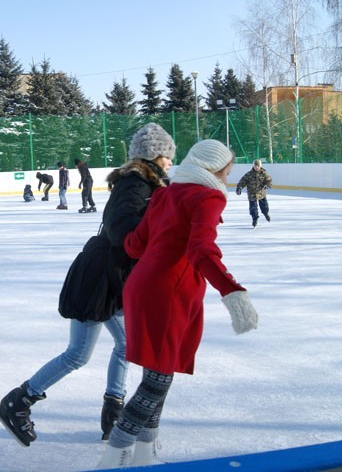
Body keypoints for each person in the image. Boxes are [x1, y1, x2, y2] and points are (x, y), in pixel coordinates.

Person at [0, 123, 176, 448]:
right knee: (78, 354)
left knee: (125, 345)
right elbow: (123, 232)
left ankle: (113, 410)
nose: (170, 162)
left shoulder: (148, 184)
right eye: (168, 156)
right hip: (98, 278)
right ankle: (18, 402)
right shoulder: (136, 183)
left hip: (111, 276)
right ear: (157, 155)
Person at [97, 139, 259, 468]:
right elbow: (201, 250)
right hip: (167, 294)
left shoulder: (166, 193)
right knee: (157, 382)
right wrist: (233, 293)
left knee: (158, 375)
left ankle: (145, 454)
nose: (227, 177)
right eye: (226, 171)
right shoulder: (208, 196)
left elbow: (134, 245)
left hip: (141, 287)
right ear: (212, 168)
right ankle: (114, 458)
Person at [236, 159, 273, 228]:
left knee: (264, 206)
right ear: (253, 166)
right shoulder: (249, 174)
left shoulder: (264, 173)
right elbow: (242, 181)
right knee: (253, 208)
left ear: (260, 166)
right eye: (255, 166)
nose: (256, 167)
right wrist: (239, 188)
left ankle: (266, 214)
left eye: (258, 166)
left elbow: (269, 180)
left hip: (261, 193)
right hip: (252, 193)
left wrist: (267, 185)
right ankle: (255, 219)